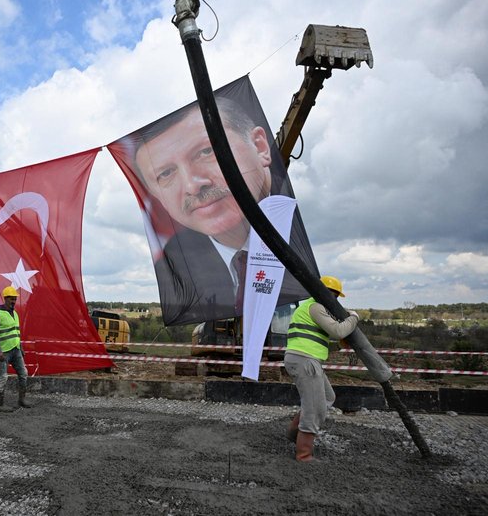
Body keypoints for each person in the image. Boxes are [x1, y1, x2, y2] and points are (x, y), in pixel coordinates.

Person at [125, 86, 315, 326]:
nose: (193, 186)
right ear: (156, 196)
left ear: (260, 146)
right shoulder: (177, 259)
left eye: (206, 152)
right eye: (166, 173)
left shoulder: (290, 224)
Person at [283, 275, 359, 462]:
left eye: (336, 296)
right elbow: (338, 331)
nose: (333, 299)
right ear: (321, 291)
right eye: (331, 294)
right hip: (305, 360)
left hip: (305, 359)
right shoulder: (315, 306)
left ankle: (294, 434)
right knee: (315, 409)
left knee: (326, 397)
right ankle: (304, 455)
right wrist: (354, 317)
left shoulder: (313, 307)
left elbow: (332, 332)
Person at [0, 286, 30, 410]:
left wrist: (21, 347)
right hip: (4, 351)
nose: (13, 301)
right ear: (5, 298)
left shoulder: (15, 314)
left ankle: (22, 400)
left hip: (16, 349)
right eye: (11, 299)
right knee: (3, 377)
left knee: (23, 374)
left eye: (15, 299)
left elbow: (17, 332)